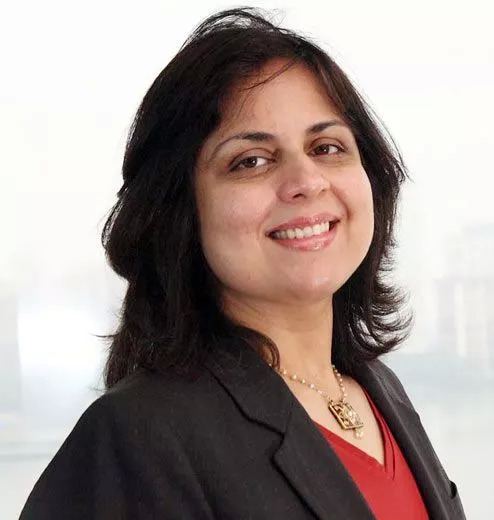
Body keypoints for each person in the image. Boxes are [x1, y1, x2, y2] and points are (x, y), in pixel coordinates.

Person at [20, 7, 466, 520]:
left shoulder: (380, 391)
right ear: (179, 209)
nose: (307, 181)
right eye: (251, 161)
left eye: (327, 147)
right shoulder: (136, 438)